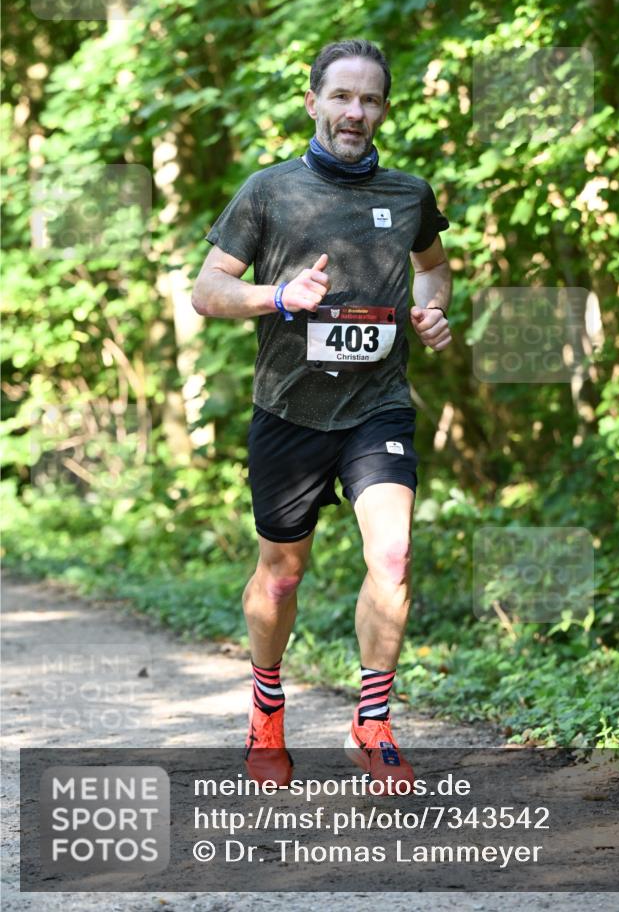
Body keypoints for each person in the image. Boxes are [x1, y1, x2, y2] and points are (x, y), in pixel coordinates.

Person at [192, 38, 452, 794]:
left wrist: (432, 313)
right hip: (289, 410)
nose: (354, 111)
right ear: (312, 102)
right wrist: (279, 297)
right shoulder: (269, 191)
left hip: (378, 406)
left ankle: (371, 725)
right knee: (282, 576)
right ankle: (266, 710)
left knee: (393, 556)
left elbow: (432, 270)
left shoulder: (408, 194)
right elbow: (207, 292)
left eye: (369, 99)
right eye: (341, 96)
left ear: (383, 110)